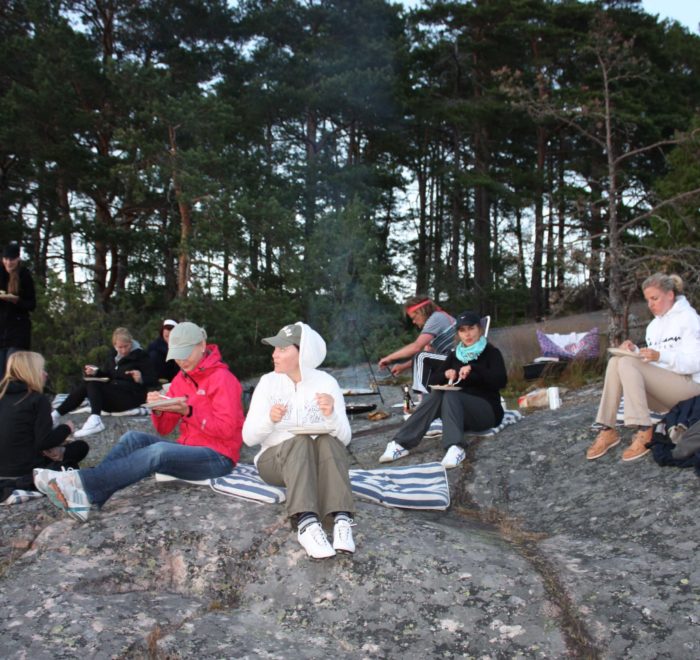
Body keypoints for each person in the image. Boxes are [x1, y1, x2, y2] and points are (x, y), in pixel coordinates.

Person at [34, 321, 244, 522]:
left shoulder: (223, 380)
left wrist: (189, 412)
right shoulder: (182, 378)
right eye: (177, 356)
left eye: (185, 354)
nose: (181, 361)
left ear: (202, 346)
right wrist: (159, 407)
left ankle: (84, 484)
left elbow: (227, 431)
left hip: (218, 457)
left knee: (159, 451)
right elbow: (164, 428)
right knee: (133, 438)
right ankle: (88, 494)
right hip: (188, 448)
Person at [243, 322, 355, 559]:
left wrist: (331, 416)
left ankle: (342, 520)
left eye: (282, 349)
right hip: (274, 462)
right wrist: (269, 420)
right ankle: (306, 522)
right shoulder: (268, 382)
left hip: (316, 464)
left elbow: (344, 440)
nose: (275, 354)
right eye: (275, 349)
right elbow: (248, 437)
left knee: (329, 440)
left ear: (302, 352)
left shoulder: (326, 383)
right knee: (300, 441)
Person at [587, 273, 700, 462]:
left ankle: (644, 429)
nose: (650, 304)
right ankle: (607, 428)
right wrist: (637, 351)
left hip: (690, 390)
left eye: (655, 298)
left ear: (670, 295)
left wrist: (660, 355)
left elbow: (695, 362)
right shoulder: (653, 327)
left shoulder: (689, 319)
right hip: (665, 393)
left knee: (627, 363)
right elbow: (655, 365)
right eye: (648, 300)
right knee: (618, 360)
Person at [379, 311, 507, 469]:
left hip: (486, 412)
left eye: (471, 328)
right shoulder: (455, 355)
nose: (467, 334)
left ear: (479, 329)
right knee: (438, 393)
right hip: (459, 416)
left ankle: (456, 447)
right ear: (458, 333)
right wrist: (446, 374)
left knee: (452, 395)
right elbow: (433, 380)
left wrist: (474, 369)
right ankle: (400, 444)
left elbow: (501, 381)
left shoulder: (491, 353)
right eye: (462, 330)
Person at [0, 352, 88, 488]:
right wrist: (66, 429)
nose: (46, 374)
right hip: (26, 469)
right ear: (30, 372)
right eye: (41, 369)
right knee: (80, 448)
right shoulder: (37, 399)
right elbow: (43, 442)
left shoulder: (2, 395)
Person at [52, 327, 158, 438]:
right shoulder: (113, 356)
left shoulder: (141, 356)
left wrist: (141, 378)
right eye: (119, 347)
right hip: (114, 396)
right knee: (89, 382)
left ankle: (95, 420)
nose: (123, 350)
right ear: (114, 345)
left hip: (131, 396)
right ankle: (55, 415)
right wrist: (96, 372)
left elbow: (153, 380)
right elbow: (108, 375)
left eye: (126, 346)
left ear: (131, 342)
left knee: (93, 384)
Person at [378, 296, 456, 395]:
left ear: (421, 311)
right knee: (422, 357)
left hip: (457, 360)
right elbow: (427, 354)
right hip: (450, 359)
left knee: (421, 356)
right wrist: (403, 366)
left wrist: (389, 358)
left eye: (414, 318)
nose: (414, 322)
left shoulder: (436, 318)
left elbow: (416, 347)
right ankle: (425, 398)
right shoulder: (436, 319)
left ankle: (423, 399)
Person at [0, 243, 36, 378]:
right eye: (6, 259)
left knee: (14, 372)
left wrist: (17, 301)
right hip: (1, 329)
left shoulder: (24, 275)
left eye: (12, 259)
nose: (9, 263)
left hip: (18, 332)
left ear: (18, 259)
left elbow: (32, 304)